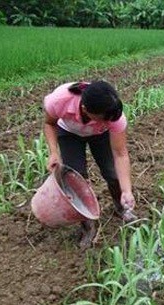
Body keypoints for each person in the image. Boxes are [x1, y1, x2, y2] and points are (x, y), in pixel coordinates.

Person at [43, 80, 136, 248]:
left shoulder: (113, 117)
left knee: (112, 173)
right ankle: (87, 226)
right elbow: (49, 123)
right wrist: (54, 153)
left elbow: (121, 154)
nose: (107, 121)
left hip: (100, 136)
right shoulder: (59, 100)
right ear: (85, 109)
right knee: (76, 178)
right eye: (102, 119)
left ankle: (121, 208)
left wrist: (127, 190)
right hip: (69, 134)